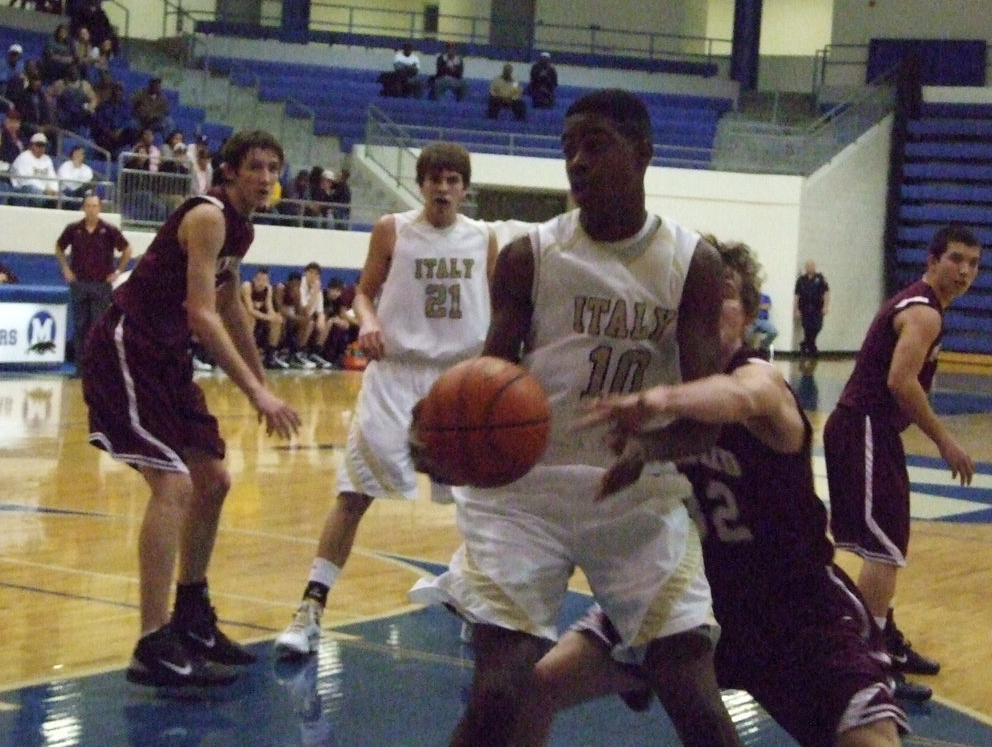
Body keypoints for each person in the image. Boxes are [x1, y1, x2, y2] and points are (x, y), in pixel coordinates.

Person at [410, 90, 737, 747]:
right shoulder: (531, 256)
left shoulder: (689, 262)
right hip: (526, 492)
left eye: (595, 146)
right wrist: (445, 435)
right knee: (500, 691)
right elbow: (488, 376)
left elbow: (709, 415)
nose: (577, 163)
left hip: (636, 493)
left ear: (642, 153)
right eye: (568, 150)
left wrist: (649, 450)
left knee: (692, 694)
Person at [533, 236, 907, 747]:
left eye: (724, 292)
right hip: (689, 595)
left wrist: (662, 400)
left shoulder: (757, 379)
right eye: (693, 294)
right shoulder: (655, 376)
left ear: (749, 312)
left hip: (793, 609)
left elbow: (739, 397)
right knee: (536, 686)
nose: (709, 303)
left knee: (870, 742)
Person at [80, 129, 300, 689]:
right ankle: (152, 643)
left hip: (167, 356)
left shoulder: (241, 227)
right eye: (256, 166)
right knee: (174, 485)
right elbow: (201, 314)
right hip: (129, 346)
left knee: (215, 480)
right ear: (228, 171)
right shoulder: (207, 215)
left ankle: (192, 617)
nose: (267, 176)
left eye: (274, 167)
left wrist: (263, 379)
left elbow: (229, 307)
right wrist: (254, 393)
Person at [275, 142, 497, 655]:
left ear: (465, 188)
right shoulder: (392, 229)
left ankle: (476, 597)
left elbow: (501, 303)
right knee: (354, 493)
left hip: (458, 380)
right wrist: (369, 322)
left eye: (453, 180)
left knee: (484, 504)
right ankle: (310, 609)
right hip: (395, 374)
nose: (443, 188)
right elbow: (362, 292)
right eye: (434, 179)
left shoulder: (483, 239)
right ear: (420, 184)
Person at [824, 223, 980, 703]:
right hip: (864, 427)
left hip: (869, 430)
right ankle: (871, 663)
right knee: (884, 550)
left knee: (886, 544)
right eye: (955, 259)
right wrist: (946, 441)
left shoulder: (918, 305)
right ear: (932, 261)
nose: (965, 271)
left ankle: (884, 641)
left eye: (974, 264)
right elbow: (900, 381)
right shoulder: (924, 313)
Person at [55, 192, 132, 376]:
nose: (91, 209)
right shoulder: (74, 229)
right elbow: (59, 247)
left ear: (100, 208)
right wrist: (65, 268)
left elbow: (127, 249)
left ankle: (97, 369)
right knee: (80, 326)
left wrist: (118, 271)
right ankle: (81, 369)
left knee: (98, 327)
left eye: (94, 206)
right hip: (79, 283)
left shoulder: (109, 229)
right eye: (88, 206)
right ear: (83, 208)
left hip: (101, 285)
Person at [241, 266, 288, 370]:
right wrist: (268, 317)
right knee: (250, 318)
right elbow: (250, 309)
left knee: (277, 321)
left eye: (265, 280)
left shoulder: (268, 289)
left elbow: (269, 308)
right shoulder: (247, 286)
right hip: (239, 316)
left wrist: (275, 317)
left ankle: (270, 356)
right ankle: (245, 355)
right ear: (254, 279)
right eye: (259, 280)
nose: (261, 283)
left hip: (259, 316)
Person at [9, 131, 60, 205]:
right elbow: (26, 180)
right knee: (36, 194)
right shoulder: (24, 157)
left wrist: (54, 190)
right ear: (31, 145)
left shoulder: (47, 159)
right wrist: (44, 189)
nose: (41, 148)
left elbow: (52, 177)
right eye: (38, 145)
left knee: (62, 198)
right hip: (22, 190)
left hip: (44, 191)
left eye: (43, 145)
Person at [793, 259, 829, 357]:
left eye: (811, 266)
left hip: (817, 308)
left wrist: (826, 306)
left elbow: (826, 293)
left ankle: (806, 344)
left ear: (815, 267)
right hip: (805, 308)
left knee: (817, 327)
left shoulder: (820, 279)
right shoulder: (801, 280)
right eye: (808, 266)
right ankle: (811, 347)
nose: (810, 268)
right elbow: (797, 295)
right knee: (807, 328)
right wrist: (796, 309)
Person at [747, 290, 778, 358]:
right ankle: (746, 351)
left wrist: (756, 306)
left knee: (774, 332)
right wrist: (761, 306)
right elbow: (749, 307)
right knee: (746, 334)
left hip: (763, 320)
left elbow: (768, 307)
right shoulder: (750, 296)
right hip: (752, 320)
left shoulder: (766, 297)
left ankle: (763, 347)